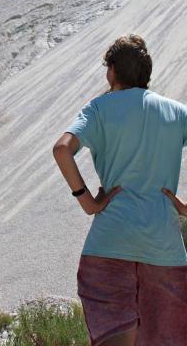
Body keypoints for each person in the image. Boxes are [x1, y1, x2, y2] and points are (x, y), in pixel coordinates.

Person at [52, 34, 187, 346]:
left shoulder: (98, 109)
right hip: (163, 248)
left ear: (112, 71)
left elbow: (62, 149)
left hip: (108, 244)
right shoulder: (175, 112)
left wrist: (87, 201)